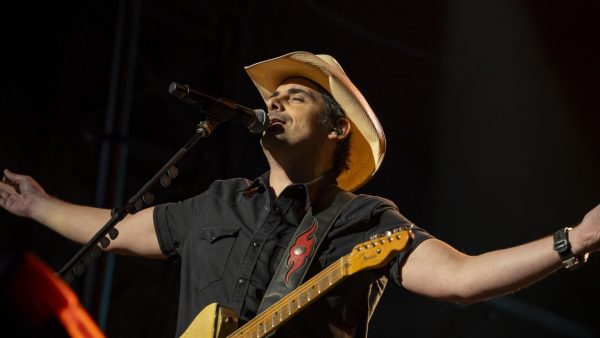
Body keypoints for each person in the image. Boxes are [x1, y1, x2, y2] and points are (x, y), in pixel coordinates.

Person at [0, 51, 598, 338]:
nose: (277, 101)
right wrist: (38, 205)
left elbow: (462, 279)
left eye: (299, 96)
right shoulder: (218, 201)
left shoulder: (365, 221)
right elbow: (118, 230)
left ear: (337, 128)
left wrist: (576, 239)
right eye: (275, 95)